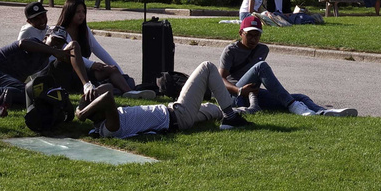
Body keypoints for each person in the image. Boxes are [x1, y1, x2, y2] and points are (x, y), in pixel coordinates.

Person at [75, 60, 250, 138]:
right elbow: (107, 98)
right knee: (207, 67)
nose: (96, 94)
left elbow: (105, 90)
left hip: (177, 115)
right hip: (178, 114)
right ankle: (232, 118)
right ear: (98, 110)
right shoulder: (109, 128)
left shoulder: (104, 121)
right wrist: (81, 113)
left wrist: (86, 98)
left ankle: (241, 110)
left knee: (213, 110)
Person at [220, 16, 355, 116]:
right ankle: (293, 106)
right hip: (235, 96)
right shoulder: (231, 50)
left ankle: (323, 112)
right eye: (249, 35)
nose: (253, 39)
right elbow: (220, 79)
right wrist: (239, 90)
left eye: (257, 35)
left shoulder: (262, 49)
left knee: (300, 97)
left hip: (253, 94)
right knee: (261, 66)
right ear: (240, 33)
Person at [0, 27, 87, 115]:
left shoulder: (43, 61)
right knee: (27, 92)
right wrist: (53, 51)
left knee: (28, 98)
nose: (56, 46)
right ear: (45, 38)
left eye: (60, 43)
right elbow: (22, 43)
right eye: (54, 40)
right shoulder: (34, 42)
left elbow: (20, 79)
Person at [52, 0, 134, 93]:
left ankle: (130, 92)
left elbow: (99, 50)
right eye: (78, 12)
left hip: (86, 71)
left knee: (112, 69)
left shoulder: (85, 30)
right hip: (69, 73)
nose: (81, 15)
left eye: (83, 12)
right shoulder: (60, 32)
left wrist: (119, 72)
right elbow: (72, 55)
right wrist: (92, 65)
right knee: (108, 77)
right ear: (69, 13)